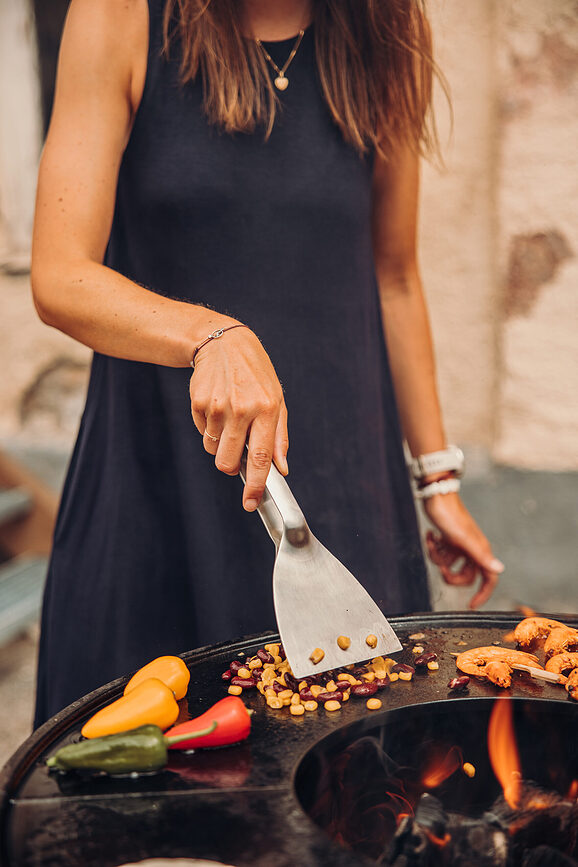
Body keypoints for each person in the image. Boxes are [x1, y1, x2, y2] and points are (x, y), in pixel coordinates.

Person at [31, 0, 504, 727]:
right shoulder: (119, 15)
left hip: (345, 497)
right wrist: (209, 334)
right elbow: (60, 275)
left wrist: (437, 479)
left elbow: (395, 274)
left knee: (353, 793)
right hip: (160, 483)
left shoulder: (388, 25)